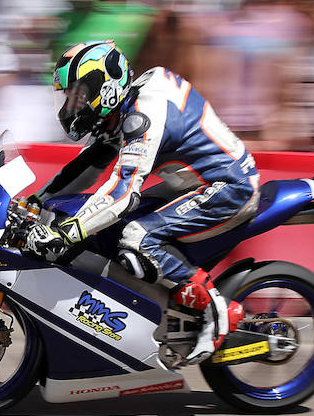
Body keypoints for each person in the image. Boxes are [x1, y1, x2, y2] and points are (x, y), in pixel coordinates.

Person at [24, 40, 259, 362]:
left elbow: (123, 191)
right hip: (189, 185)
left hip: (229, 187)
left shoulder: (143, 114)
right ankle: (160, 316)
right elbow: (87, 165)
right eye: (67, 97)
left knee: (136, 237)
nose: (71, 107)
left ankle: (215, 309)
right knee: (107, 231)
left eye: (77, 95)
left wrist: (66, 233)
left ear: (104, 88)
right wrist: (35, 202)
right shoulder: (121, 111)